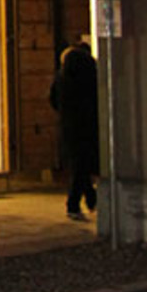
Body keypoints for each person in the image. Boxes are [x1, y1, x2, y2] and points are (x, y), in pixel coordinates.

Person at [50, 38, 99, 218]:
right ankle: (74, 204)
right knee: (82, 166)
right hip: (87, 125)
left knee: (79, 165)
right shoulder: (90, 76)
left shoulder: (62, 77)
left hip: (68, 126)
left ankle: (90, 199)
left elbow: (53, 100)